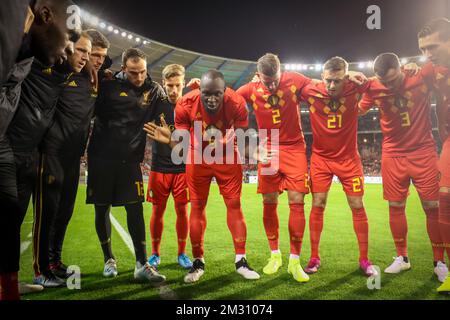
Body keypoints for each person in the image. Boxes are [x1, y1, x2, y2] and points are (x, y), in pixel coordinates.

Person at [145, 70, 260, 283]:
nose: (212, 98)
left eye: (217, 93)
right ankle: (198, 262)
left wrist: (251, 150)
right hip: (198, 158)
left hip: (227, 157)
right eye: (207, 93)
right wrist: (170, 140)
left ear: (225, 91)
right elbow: (182, 145)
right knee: (197, 207)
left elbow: (243, 136)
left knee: (234, 205)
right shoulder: (185, 104)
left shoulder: (236, 103)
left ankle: (241, 261)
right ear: (200, 92)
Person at [0, 0, 81, 299]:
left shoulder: (27, 50)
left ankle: (7, 289)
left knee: (8, 214)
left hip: (8, 147)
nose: (72, 50)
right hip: (11, 146)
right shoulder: (11, 16)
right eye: (71, 39)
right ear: (45, 14)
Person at [359, 52, 448, 283]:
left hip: (423, 151)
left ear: (401, 68)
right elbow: (358, 109)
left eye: (394, 80)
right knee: (396, 206)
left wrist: (417, 64)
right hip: (393, 154)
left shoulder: (420, 75)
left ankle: (439, 261)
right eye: (385, 82)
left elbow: (442, 60)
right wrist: (352, 77)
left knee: (432, 207)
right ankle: (402, 257)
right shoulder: (373, 86)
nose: (390, 85)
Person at [87, 48, 166, 283]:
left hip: (131, 160)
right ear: (123, 70)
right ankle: (109, 259)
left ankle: (142, 263)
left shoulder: (153, 90)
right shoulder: (108, 85)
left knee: (135, 209)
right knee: (101, 209)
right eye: (133, 73)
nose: (139, 77)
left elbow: (168, 114)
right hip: (101, 157)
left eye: (142, 71)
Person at [36, 31, 105, 283]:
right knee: (48, 213)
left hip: (74, 156)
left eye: (99, 56)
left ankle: (55, 261)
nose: (93, 59)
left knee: (64, 212)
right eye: (88, 53)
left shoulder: (94, 78)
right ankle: (41, 269)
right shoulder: (58, 73)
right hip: (51, 153)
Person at [300, 56, 377, 277]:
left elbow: (378, 85)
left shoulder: (355, 85)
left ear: (346, 77)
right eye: (328, 80)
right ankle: (314, 257)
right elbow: (288, 86)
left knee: (357, 204)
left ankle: (364, 259)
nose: (332, 85)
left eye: (337, 80)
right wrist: (259, 78)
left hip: (349, 159)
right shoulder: (312, 89)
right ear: (322, 77)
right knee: (318, 203)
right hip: (321, 159)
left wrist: (361, 107)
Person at [147, 64, 194, 270]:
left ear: (184, 83)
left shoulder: (192, 105)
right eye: (169, 86)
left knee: (182, 211)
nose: (173, 90)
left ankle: (182, 253)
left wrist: (200, 88)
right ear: (163, 84)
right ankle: (155, 254)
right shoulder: (157, 102)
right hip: (158, 167)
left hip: (182, 169)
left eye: (177, 85)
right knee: (158, 211)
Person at [417, 17, 450, 293]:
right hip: (449, 142)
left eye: (433, 47)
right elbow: (396, 79)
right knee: (444, 200)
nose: (427, 54)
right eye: (423, 49)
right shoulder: (431, 70)